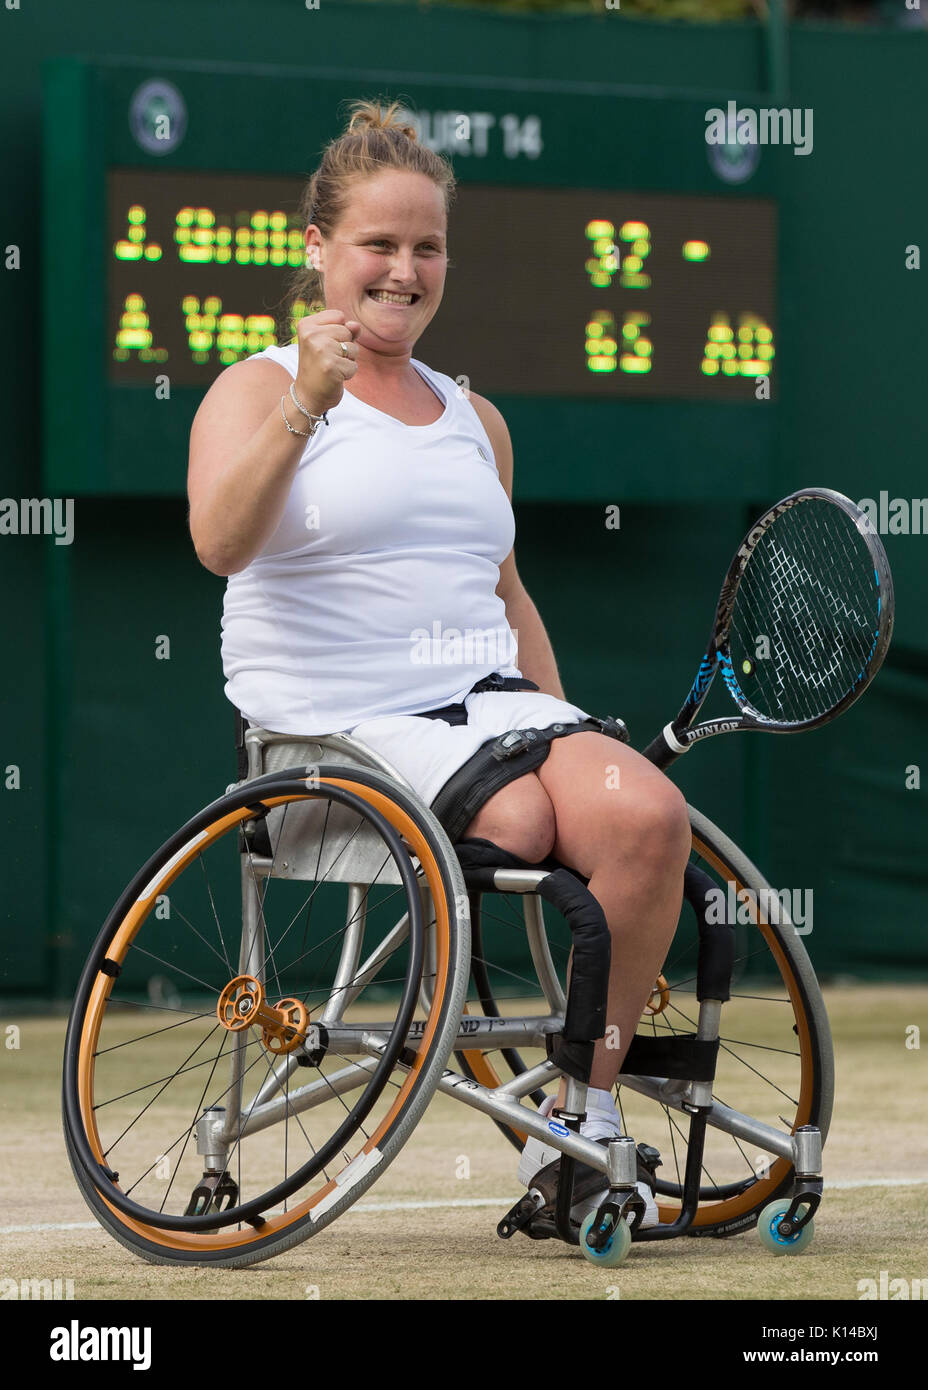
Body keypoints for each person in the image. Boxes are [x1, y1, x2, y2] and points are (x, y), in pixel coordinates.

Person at [187, 98, 692, 1229]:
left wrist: (573, 736)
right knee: (512, 822)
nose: (403, 270)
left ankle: (583, 1126)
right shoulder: (255, 388)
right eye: (378, 244)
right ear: (317, 248)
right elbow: (219, 543)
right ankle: (547, 1124)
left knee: (644, 817)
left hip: (489, 709)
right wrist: (307, 410)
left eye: (426, 248)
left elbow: (507, 597)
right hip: (328, 724)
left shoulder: (476, 418)